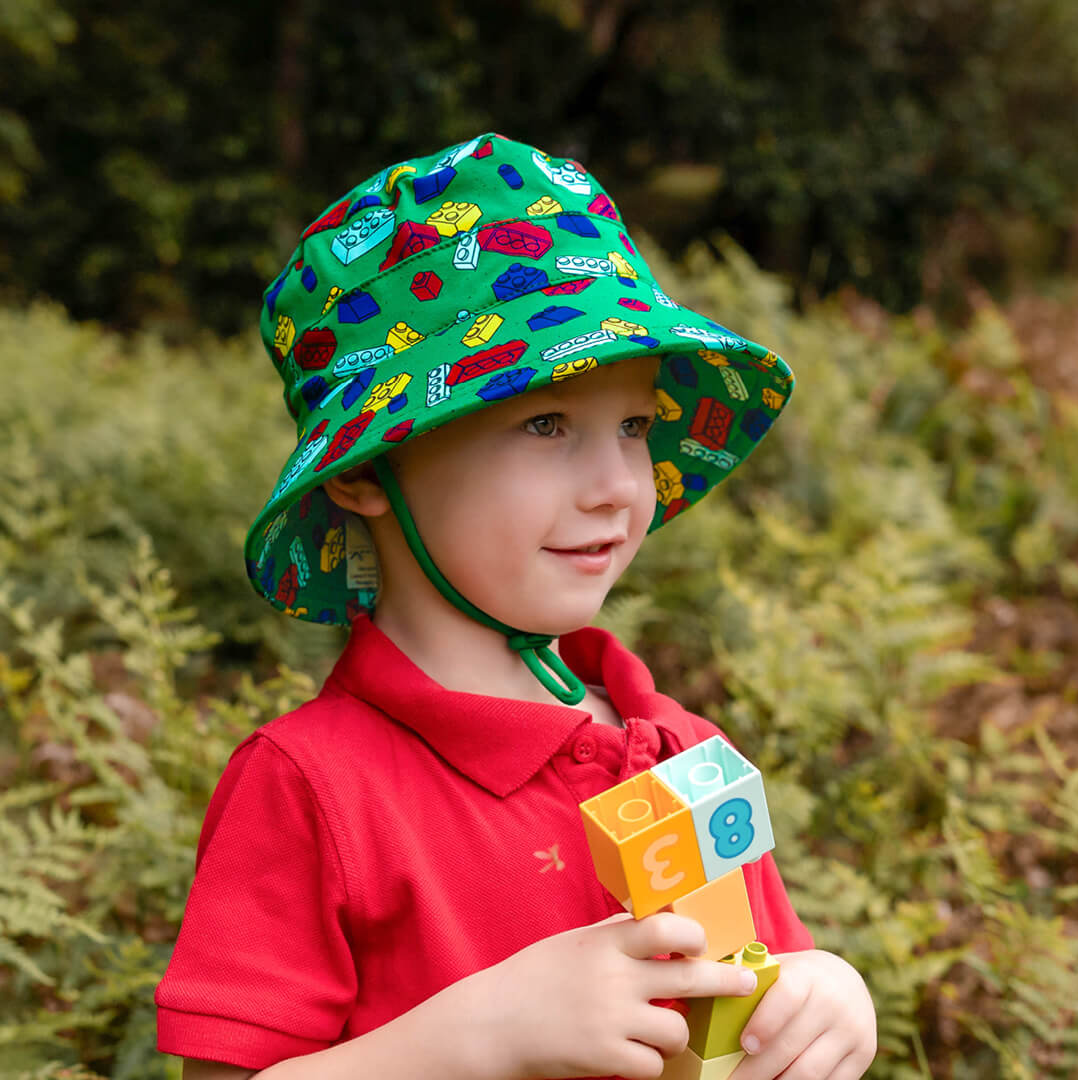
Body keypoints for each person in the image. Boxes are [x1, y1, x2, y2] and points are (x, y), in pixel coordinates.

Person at [154, 132, 876, 1080]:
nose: (619, 484)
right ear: (367, 470)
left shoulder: (681, 752)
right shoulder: (311, 788)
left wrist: (825, 995)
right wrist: (481, 1034)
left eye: (635, 426)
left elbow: (751, 1003)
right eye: (545, 425)